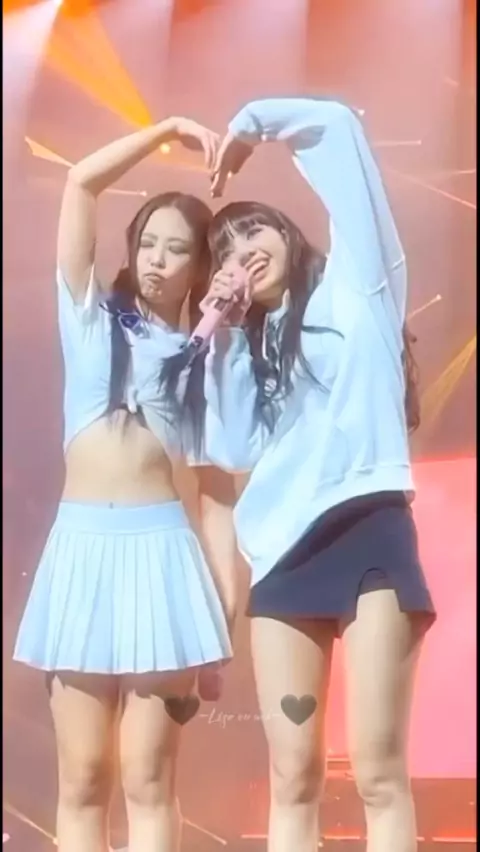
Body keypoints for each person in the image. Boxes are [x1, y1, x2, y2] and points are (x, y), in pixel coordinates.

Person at [200, 97, 436, 852]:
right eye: (225, 251)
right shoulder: (248, 344)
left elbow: (338, 128)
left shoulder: (355, 285)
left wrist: (249, 126)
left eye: (253, 233)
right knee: (292, 774)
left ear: (287, 233)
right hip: (283, 556)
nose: (242, 255)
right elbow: (233, 446)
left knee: (377, 769)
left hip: (370, 532)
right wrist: (223, 337)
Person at [13, 117, 237, 852]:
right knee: (82, 777)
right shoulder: (88, 317)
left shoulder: (206, 359)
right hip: (81, 554)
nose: (157, 260)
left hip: (162, 560)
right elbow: (80, 181)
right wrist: (166, 128)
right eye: (148, 243)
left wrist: (224, 615)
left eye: (177, 249)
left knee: (148, 779)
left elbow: (216, 499)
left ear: (199, 267)